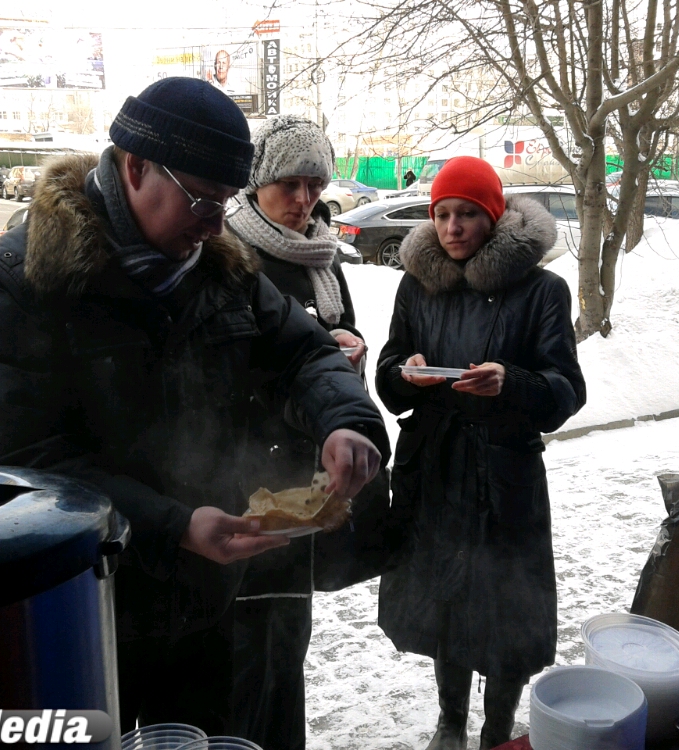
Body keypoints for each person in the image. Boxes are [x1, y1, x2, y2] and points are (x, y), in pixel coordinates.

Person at [0, 77, 390, 736]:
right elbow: (19, 466)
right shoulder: (18, 284)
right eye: (202, 200)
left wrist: (346, 423)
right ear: (135, 167)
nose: (216, 225)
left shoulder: (221, 271)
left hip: (206, 606)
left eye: (226, 201)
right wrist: (173, 525)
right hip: (85, 611)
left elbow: (309, 354)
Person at [375, 156, 585, 750]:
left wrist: (511, 383)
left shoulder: (543, 290)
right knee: (447, 602)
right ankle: (450, 721)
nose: (452, 227)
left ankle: (496, 731)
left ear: (492, 217)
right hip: (436, 473)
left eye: (467, 213)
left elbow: (567, 389)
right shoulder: (418, 286)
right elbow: (389, 376)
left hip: (504, 476)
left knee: (507, 610)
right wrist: (404, 374)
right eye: (441, 214)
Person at [226, 115, 365, 750]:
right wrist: (306, 365)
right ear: (257, 182)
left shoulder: (323, 259)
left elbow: (336, 353)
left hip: (305, 479)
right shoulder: (228, 253)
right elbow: (223, 375)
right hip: (243, 482)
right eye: (290, 184)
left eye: (315, 184)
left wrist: (346, 357)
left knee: (287, 644)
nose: (305, 200)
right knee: (243, 658)